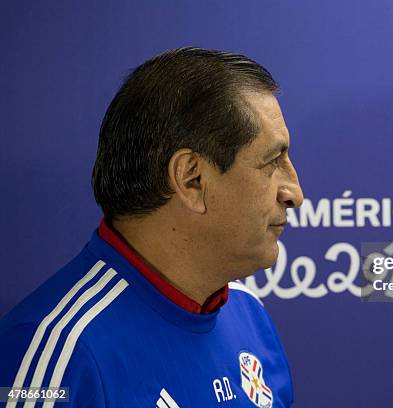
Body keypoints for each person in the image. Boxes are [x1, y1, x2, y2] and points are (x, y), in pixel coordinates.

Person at [0, 48, 303, 407]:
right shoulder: (59, 351)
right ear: (191, 179)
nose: (295, 193)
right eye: (272, 162)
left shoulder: (248, 312)